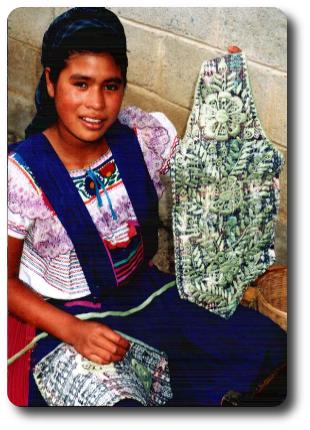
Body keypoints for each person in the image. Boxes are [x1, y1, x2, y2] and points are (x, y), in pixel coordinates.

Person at [8, 7, 286, 407]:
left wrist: (226, 98)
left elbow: (207, 177)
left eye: (110, 86)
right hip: (64, 320)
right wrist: (73, 331)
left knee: (270, 345)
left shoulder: (140, 138)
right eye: (81, 84)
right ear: (51, 82)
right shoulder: (22, 175)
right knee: (119, 405)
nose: (97, 104)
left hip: (146, 295)